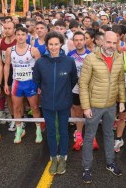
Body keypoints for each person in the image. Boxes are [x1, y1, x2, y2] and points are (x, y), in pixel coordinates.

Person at [79, 31, 126, 184]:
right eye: (108, 42)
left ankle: (110, 163)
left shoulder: (119, 58)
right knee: (89, 136)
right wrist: (86, 106)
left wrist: (122, 101)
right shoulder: (91, 58)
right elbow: (83, 84)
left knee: (109, 135)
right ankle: (86, 168)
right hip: (94, 106)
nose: (111, 46)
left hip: (111, 105)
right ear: (102, 42)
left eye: (114, 43)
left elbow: (120, 82)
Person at [33, 31, 77, 175]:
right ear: (46, 45)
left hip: (64, 102)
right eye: (50, 44)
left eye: (56, 44)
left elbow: (73, 80)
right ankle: (53, 157)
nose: (53, 47)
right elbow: (37, 80)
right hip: (47, 103)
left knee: (63, 130)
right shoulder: (40, 62)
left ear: (61, 44)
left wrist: (64, 92)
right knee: (51, 131)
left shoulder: (69, 61)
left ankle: (63, 157)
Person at [4, 27, 42, 144]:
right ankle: (19, 130)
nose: (20, 37)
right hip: (17, 83)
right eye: (18, 34)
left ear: (27, 36)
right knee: (16, 108)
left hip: (30, 83)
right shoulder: (10, 50)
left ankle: (38, 130)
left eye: (23, 34)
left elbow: (40, 68)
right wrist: (6, 83)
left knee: (34, 107)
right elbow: (6, 66)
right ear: (15, 36)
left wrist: (40, 84)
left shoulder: (33, 50)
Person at [67, 31, 91, 151]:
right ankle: (79, 134)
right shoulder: (70, 55)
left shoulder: (91, 55)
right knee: (77, 111)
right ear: (73, 42)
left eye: (81, 40)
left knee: (89, 112)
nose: (79, 42)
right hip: (75, 88)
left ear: (85, 41)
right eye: (76, 40)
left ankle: (90, 136)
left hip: (88, 89)